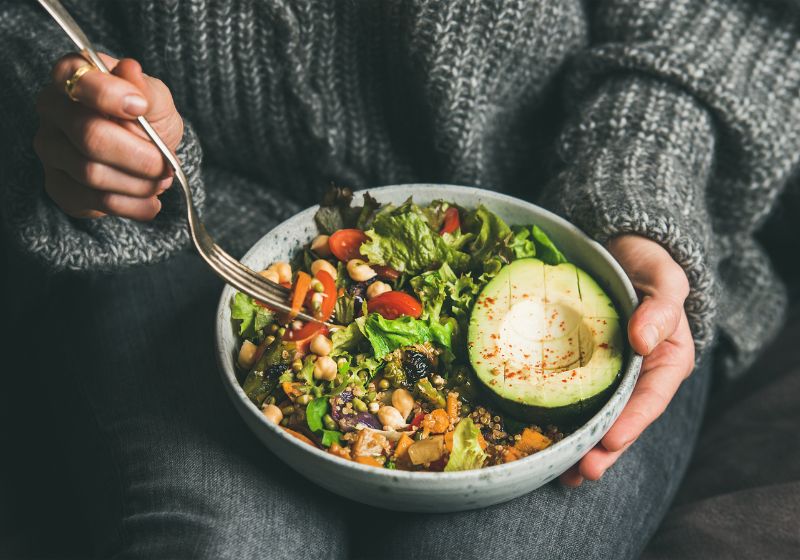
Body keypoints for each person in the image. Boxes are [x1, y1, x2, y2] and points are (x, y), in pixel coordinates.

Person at [1, 1, 797, 558]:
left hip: (576, 224)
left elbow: (715, 18)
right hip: (163, 236)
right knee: (229, 544)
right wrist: (73, 118)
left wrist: (640, 181)